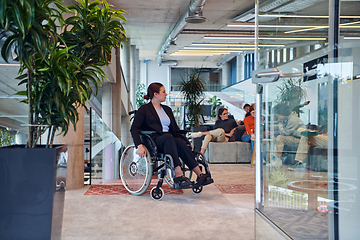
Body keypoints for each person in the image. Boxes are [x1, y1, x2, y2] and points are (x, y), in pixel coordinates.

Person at [130, 82, 213, 189]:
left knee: (180, 143)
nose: (166, 94)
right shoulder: (144, 109)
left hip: (169, 139)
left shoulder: (167, 109)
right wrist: (139, 145)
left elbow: (175, 129)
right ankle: (178, 175)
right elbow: (134, 128)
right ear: (155, 94)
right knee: (169, 138)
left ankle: (200, 175)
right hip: (153, 140)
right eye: (163, 92)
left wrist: (183, 138)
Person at [271, 103, 306, 168]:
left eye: (277, 115)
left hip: (301, 140)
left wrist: (280, 122)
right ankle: (277, 158)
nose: (277, 117)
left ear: (282, 113)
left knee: (280, 138)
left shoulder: (293, 119)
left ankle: (277, 159)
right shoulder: (289, 118)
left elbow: (285, 133)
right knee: (276, 138)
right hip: (295, 137)